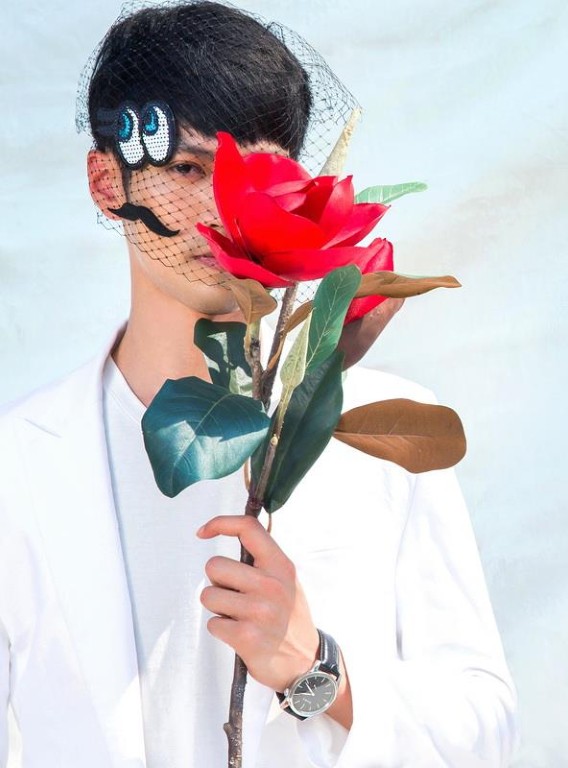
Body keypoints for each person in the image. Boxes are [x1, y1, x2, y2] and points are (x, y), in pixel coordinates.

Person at [0, 2, 516, 766]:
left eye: (257, 174)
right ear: (106, 182)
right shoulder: (19, 467)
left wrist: (317, 669)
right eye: (188, 169)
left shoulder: (385, 436)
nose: (223, 207)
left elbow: (488, 734)